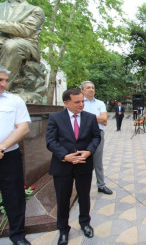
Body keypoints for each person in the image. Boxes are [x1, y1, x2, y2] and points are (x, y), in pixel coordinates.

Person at [46, 89, 101, 244]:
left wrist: (89, 152)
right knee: (63, 198)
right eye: (77, 102)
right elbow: (50, 141)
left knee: (84, 196)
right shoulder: (55, 118)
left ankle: (85, 223)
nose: (81, 104)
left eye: (82, 101)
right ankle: (63, 229)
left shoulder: (90, 118)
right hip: (62, 165)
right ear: (66, 103)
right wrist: (64, 156)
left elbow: (96, 137)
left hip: (83, 164)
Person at [0, 66, 31, 245]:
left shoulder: (14, 100)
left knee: (14, 196)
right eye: (0, 80)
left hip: (9, 157)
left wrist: (2, 147)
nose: (4, 84)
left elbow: (23, 128)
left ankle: (18, 235)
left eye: (5, 80)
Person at [0, 0, 45, 81]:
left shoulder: (36, 10)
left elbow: (25, 30)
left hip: (26, 44)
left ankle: (3, 88)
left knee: (12, 46)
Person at [80, 81, 113, 195]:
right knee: (83, 161)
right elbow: (79, 118)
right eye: (88, 87)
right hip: (82, 134)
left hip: (98, 133)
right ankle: (82, 188)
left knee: (97, 160)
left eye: (93, 87)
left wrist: (86, 117)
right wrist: (97, 118)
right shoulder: (79, 103)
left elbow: (104, 119)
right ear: (82, 90)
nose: (91, 89)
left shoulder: (100, 103)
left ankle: (101, 185)